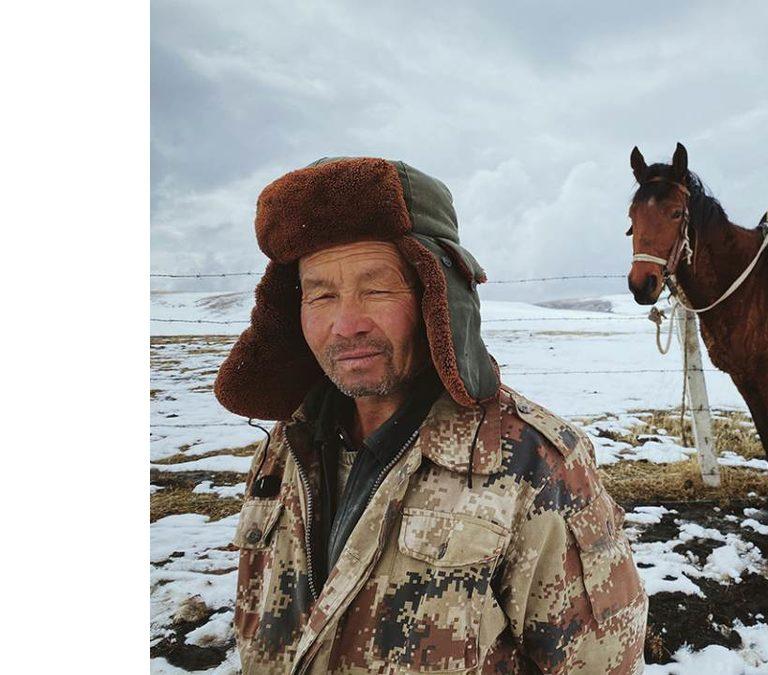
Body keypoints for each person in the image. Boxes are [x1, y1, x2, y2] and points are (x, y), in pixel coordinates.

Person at [214, 156, 647, 674]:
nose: (345, 324)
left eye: (376, 288)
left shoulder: (533, 465)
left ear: (437, 297)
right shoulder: (285, 448)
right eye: (321, 294)